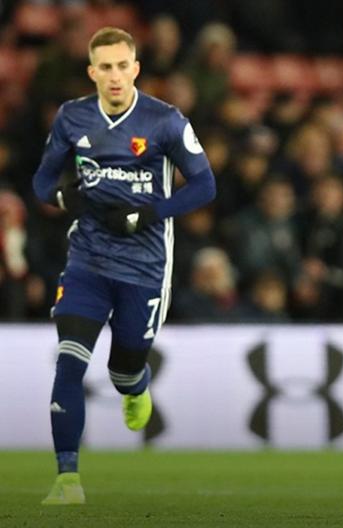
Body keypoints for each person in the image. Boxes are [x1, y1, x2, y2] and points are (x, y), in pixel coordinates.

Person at [31, 27, 216, 505]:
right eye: (105, 67)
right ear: (92, 72)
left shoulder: (165, 121)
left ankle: (135, 387)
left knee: (123, 370)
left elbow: (204, 186)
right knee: (69, 361)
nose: (114, 76)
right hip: (87, 260)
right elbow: (41, 182)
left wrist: (150, 213)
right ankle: (67, 480)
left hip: (145, 267)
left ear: (136, 69)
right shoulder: (72, 117)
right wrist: (62, 198)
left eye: (122, 66)